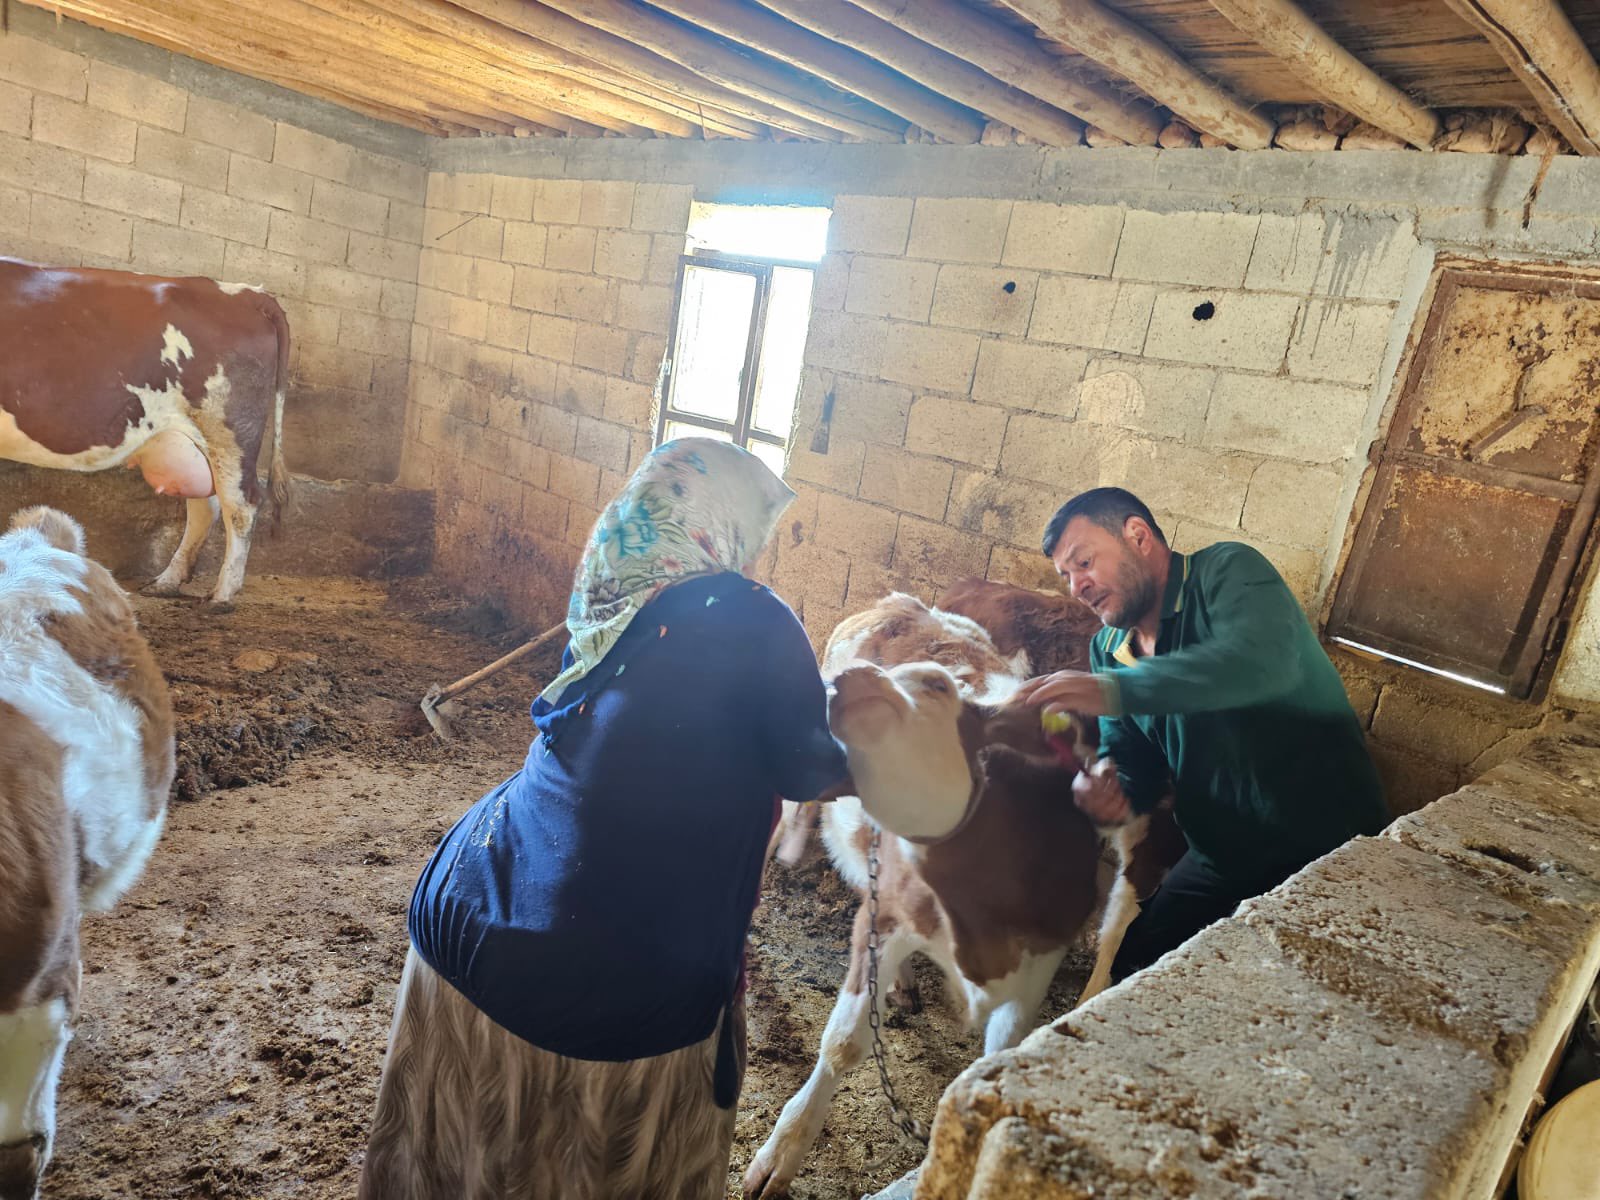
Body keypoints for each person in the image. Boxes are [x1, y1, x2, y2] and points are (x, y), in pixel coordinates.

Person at [358, 438, 848, 1200]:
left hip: (466, 901)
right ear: (723, 526)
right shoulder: (755, 620)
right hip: (613, 982)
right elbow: (812, 768)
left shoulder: (613, 575)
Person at [1013, 486, 1387, 983]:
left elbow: (1257, 664)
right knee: (1135, 973)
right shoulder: (1110, 649)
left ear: (1138, 536)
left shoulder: (1227, 573)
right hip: (1222, 851)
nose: (1076, 586)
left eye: (1084, 563)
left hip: (1327, 844)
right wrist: (1110, 785)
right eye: (1066, 577)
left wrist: (1113, 692)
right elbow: (1133, 765)